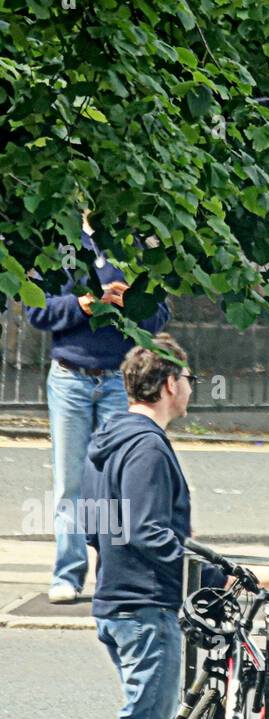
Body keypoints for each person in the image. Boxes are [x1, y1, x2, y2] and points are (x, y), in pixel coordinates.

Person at [11, 334, 223, 719]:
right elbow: (149, 530)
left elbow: (92, 525)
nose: (191, 390)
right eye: (190, 381)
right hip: (145, 605)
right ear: (171, 384)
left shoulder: (106, 440)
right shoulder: (148, 446)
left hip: (114, 601)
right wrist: (203, 570)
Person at [25, 213, 170, 602]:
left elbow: (159, 314)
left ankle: (114, 575)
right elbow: (36, 311)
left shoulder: (134, 241)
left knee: (118, 483)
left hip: (118, 380)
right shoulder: (58, 241)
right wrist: (83, 305)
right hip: (70, 376)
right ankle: (68, 575)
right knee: (71, 482)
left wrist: (131, 304)